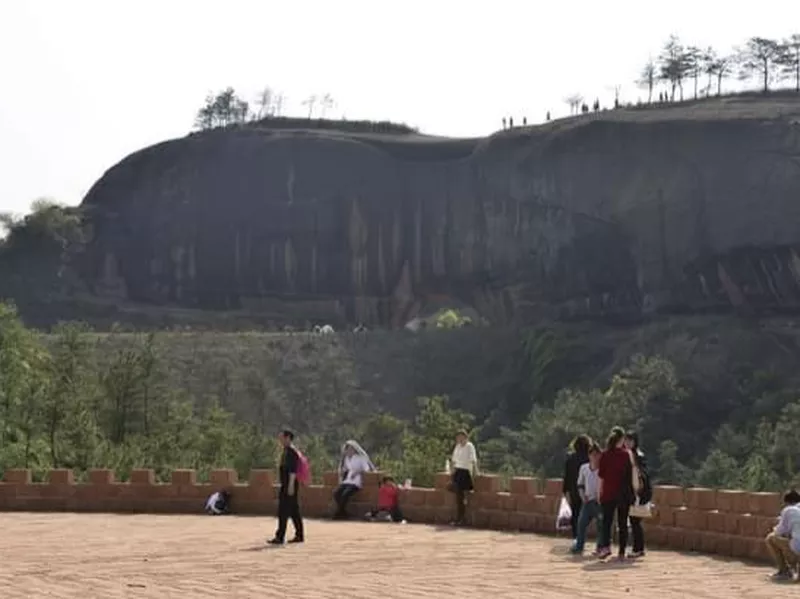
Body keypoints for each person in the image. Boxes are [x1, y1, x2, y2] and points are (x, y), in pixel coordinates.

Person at [596, 427, 635, 560]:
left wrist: (599, 492)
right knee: (622, 523)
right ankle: (622, 551)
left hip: (608, 492)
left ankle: (605, 548)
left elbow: (601, 476)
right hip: (623, 494)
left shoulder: (605, 455)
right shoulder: (626, 455)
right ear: (621, 440)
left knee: (607, 522)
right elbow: (630, 474)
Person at [268, 429, 304, 545]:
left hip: (290, 485)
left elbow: (293, 471)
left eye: (282, 438)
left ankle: (280, 537)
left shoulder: (292, 452)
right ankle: (299, 535)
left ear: (288, 438)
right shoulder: (286, 451)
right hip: (287, 484)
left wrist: (291, 486)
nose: (280, 440)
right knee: (294, 511)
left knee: (283, 511)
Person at [570, 443, 602, 554]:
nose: (595, 457)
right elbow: (580, 484)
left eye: (597, 454)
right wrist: (582, 496)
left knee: (601, 525)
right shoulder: (584, 468)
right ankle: (579, 546)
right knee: (581, 523)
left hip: (599, 502)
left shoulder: (603, 469)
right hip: (587, 500)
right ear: (589, 456)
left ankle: (600, 547)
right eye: (592, 454)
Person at [625, 430, 652, 558]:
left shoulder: (636, 456)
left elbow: (642, 475)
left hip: (638, 493)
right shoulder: (636, 454)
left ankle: (638, 548)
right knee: (634, 521)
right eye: (626, 440)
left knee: (635, 521)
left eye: (630, 440)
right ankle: (638, 548)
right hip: (636, 492)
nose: (627, 443)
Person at [332, 440, 374, 520]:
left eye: (351, 449)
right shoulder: (346, 459)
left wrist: (357, 472)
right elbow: (345, 468)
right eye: (347, 449)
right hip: (347, 480)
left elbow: (366, 469)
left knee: (345, 494)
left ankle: (339, 513)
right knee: (336, 493)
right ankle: (342, 512)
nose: (349, 451)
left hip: (356, 482)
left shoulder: (361, 458)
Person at [765, 489, 800, 581]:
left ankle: (784, 571)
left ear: (787, 502)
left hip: (797, 549)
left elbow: (779, 531)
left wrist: (774, 527)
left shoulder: (789, 510)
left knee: (771, 538)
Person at [563, 434, 592, 540]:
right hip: (587, 491)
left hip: (574, 491)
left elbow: (567, 476)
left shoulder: (570, 459)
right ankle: (581, 536)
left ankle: (576, 538)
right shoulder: (589, 459)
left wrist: (565, 491)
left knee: (575, 514)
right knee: (586, 515)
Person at [449, 429, 478, 526]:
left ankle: (462, 518)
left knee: (462, 496)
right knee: (458, 496)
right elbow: (453, 460)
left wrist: (475, 472)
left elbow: (473, 460)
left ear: (465, 437)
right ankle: (459, 518)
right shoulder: (457, 447)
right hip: (458, 471)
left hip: (465, 472)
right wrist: (452, 472)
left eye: (461, 437)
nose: (459, 439)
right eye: (458, 438)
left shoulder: (469, 446)